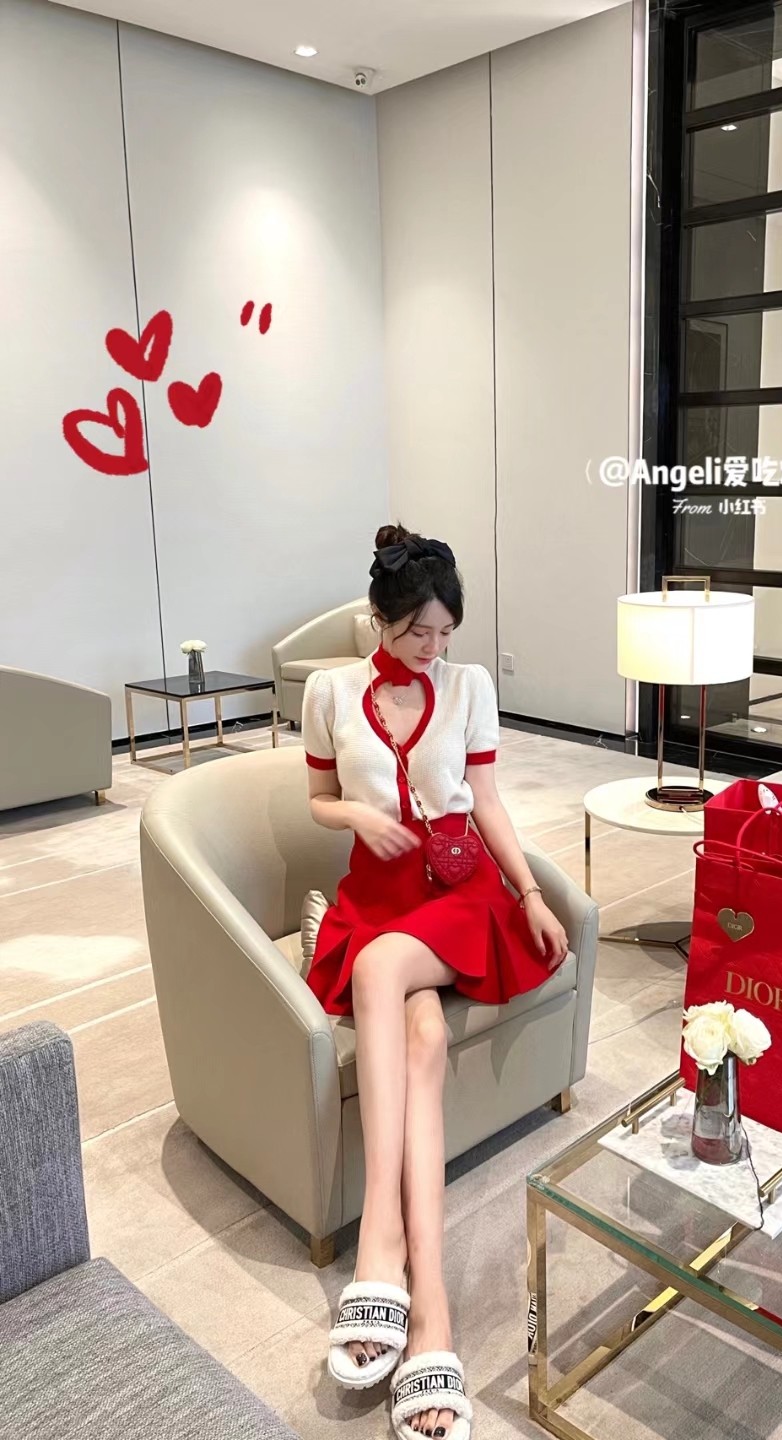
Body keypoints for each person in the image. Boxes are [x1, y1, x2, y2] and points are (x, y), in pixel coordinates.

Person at [301, 524, 569, 1440]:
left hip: (460, 896)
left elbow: (485, 800)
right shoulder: (330, 692)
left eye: (447, 632)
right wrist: (354, 815)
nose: (435, 647)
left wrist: (530, 893)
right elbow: (316, 801)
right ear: (379, 620)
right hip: (377, 896)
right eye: (419, 631)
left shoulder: (469, 687)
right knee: (420, 1037)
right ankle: (434, 1318)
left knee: (383, 967)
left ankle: (378, 1244)